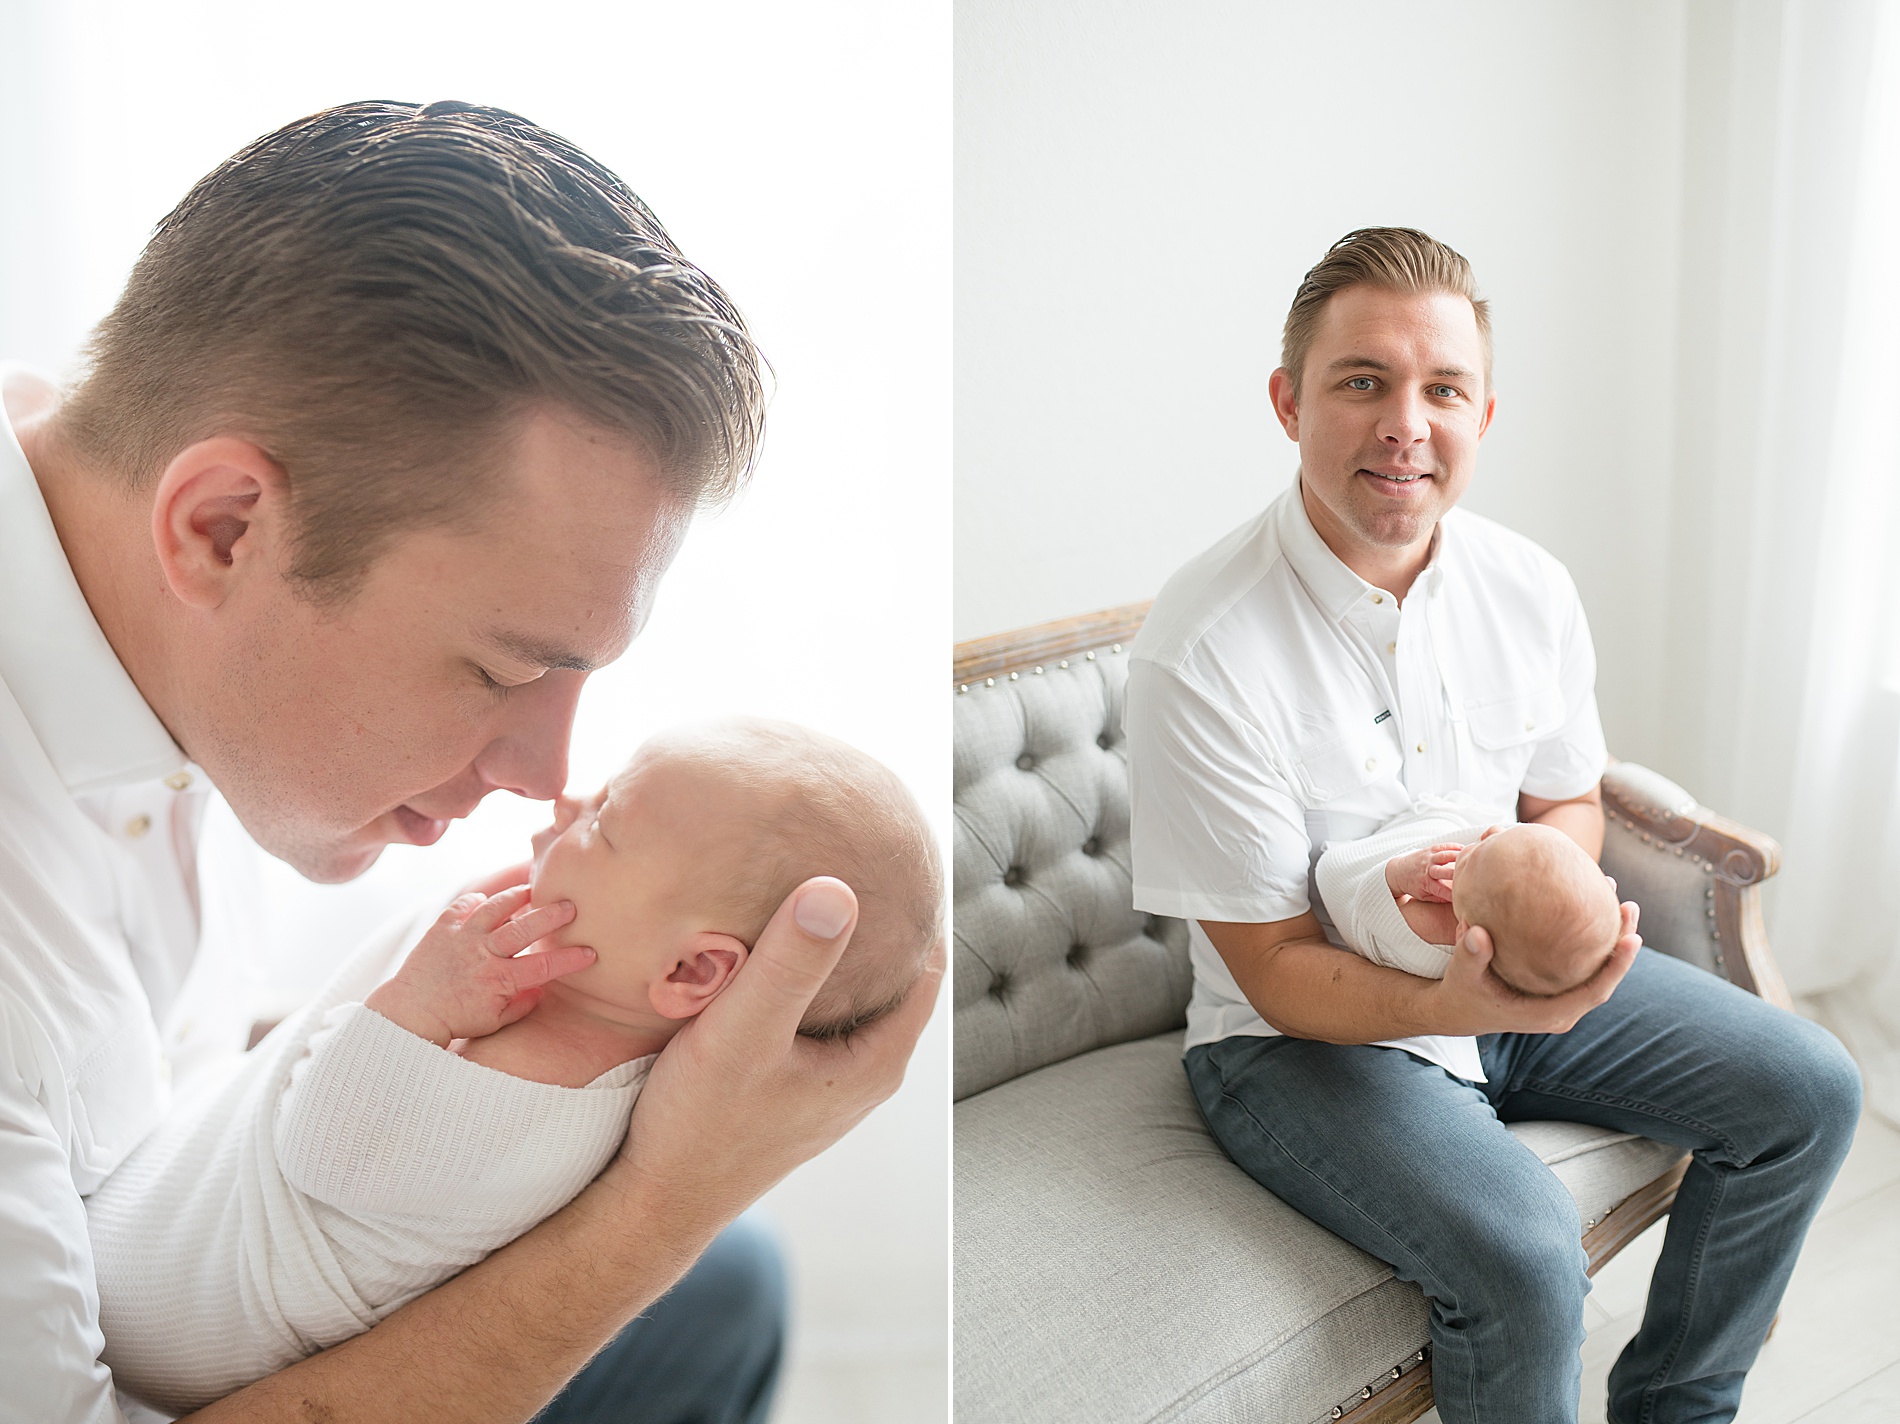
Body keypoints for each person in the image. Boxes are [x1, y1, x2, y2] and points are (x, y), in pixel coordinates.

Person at [0, 101, 939, 1424]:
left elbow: (145, 1075)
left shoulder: (103, 553)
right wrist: (656, 1208)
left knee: (728, 1292)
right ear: (222, 529)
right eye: (502, 671)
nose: (547, 772)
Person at [1125, 227, 1860, 1423]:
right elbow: (1268, 967)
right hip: (1297, 1040)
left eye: (1441, 388)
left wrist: (1536, 913)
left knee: (1810, 1087)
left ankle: (1678, 1405)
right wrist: (1453, 1001)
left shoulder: (1529, 587)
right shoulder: (1201, 650)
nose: (1402, 422)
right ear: (1287, 401)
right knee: (1523, 1249)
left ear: (1483, 412)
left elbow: (1567, 796)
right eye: (1360, 380)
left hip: (1512, 979)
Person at [86, 719, 943, 1416]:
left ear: (690, 973)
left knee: (733, 1278)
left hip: (159, 1321)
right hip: (166, 1231)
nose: (568, 796)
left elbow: (328, 1152)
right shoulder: (577, 1018)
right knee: (734, 1278)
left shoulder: (544, 1082)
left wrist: (418, 1006)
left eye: (604, 821)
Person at [1315, 797, 1625, 1002]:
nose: (1489, 831)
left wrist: (1398, 875)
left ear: (1465, 936)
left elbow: (1364, 911)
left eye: (1475, 856)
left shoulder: (1431, 930)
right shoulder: (1496, 912)